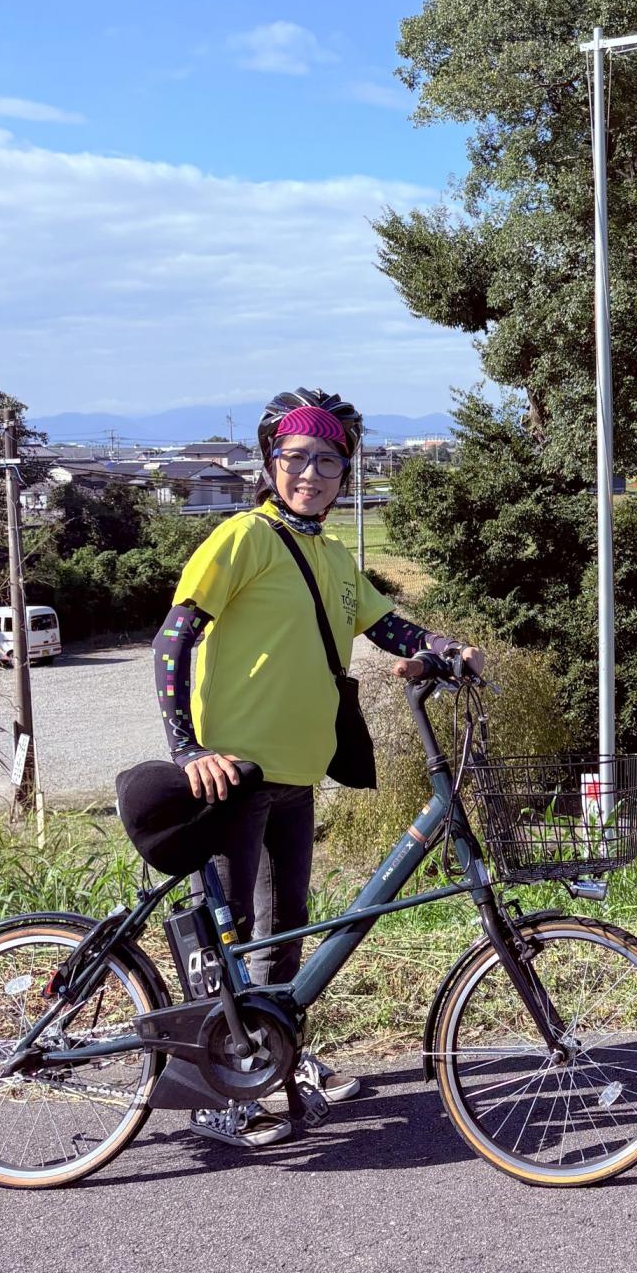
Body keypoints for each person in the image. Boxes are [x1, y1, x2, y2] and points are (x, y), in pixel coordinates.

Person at [153, 388, 480, 1149]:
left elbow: (389, 624)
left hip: (298, 776)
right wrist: (186, 749)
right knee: (230, 945)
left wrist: (449, 647)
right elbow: (174, 638)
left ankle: (272, 1060)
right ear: (271, 463)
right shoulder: (243, 537)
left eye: (328, 460)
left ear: (344, 472)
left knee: (285, 933)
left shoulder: (333, 557)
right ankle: (220, 1093)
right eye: (297, 457)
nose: (312, 472)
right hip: (230, 777)